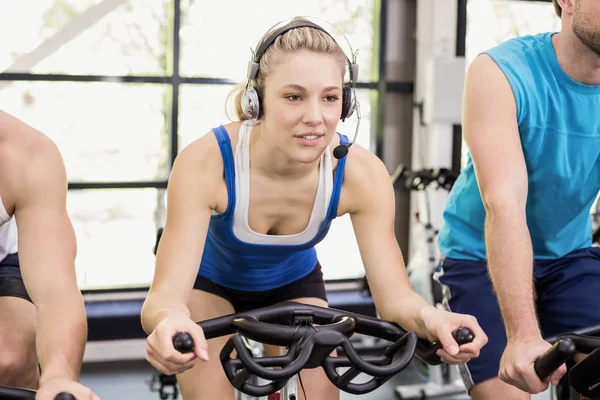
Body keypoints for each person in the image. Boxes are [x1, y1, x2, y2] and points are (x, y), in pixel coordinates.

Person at [141, 17, 488, 400]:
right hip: (207, 285)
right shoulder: (209, 162)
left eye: (330, 97)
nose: (315, 117)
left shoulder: (360, 173)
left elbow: (395, 299)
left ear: (347, 101)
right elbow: (164, 298)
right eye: (293, 97)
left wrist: (431, 317)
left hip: (293, 284)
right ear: (256, 100)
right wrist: (171, 319)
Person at [435, 0, 600, 398]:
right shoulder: (500, 71)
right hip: (480, 256)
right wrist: (523, 334)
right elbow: (504, 203)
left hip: (568, 256)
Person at [0, 111, 99, 399]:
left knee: (10, 360)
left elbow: (55, 290)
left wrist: (58, 376)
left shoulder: (25, 154)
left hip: (5, 258)